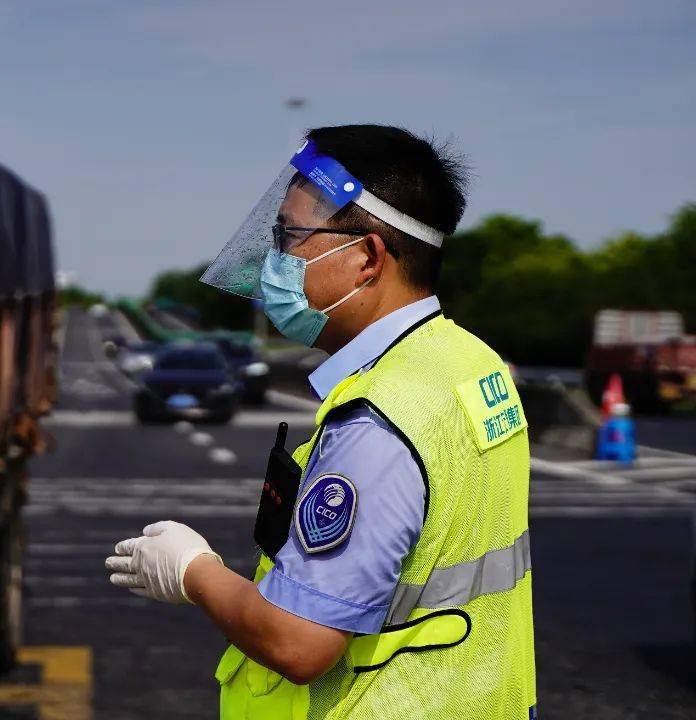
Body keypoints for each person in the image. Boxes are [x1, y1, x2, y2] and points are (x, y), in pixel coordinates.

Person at [105, 125, 536, 719]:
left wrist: (192, 571)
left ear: (365, 258)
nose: (274, 259)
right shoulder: (469, 362)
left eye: (291, 236)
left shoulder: (377, 421)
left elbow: (298, 641)